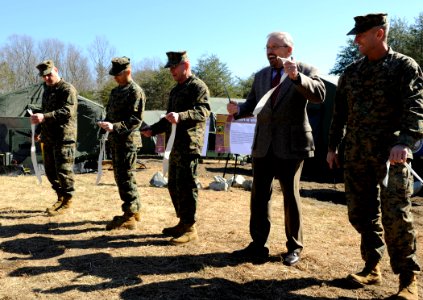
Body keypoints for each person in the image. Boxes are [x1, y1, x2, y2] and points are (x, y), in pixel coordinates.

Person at [327, 13, 422, 300]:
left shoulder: (404, 67)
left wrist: (405, 143)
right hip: (356, 154)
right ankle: (372, 266)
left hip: (391, 156)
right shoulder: (351, 72)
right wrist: (333, 147)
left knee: (396, 216)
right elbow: (339, 114)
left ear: (379, 34)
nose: (356, 39)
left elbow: (416, 109)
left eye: (361, 35)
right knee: (361, 215)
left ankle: (409, 280)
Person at [228, 32, 326, 265]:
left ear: (289, 50)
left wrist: (296, 77)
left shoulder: (307, 69)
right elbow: (253, 104)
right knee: (259, 197)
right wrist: (238, 110)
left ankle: (294, 247)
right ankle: (257, 245)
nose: (269, 51)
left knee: (291, 197)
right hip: (263, 145)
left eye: (275, 47)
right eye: (267, 47)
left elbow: (319, 95)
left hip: (292, 145)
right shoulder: (261, 76)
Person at [141, 51, 211, 244]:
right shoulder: (175, 90)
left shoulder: (198, 86)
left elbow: (203, 111)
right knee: (174, 185)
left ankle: (190, 227)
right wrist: (152, 130)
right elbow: (168, 118)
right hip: (175, 145)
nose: (171, 70)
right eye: (170, 67)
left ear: (185, 65)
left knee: (187, 186)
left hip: (189, 144)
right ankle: (182, 221)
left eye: (174, 67)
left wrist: (182, 116)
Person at [98, 56, 146, 231]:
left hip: (127, 142)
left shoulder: (135, 91)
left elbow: (135, 120)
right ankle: (134, 209)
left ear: (128, 72)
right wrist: (104, 123)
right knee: (121, 178)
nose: (115, 78)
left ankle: (130, 216)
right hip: (115, 141)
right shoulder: (116, 91)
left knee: (125, 178)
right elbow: (111, 115)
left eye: (118, 74)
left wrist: (114, 126)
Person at [31, 60, 78, 216]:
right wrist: (38, 130)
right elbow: (44, 112)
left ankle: (68, 200)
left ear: (56, 70)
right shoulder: (47, 91)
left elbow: (67, 111)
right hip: (49, 138)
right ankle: (60, 197)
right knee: (51, 172)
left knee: (64, 171)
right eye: (44, 76)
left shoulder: (67, 89)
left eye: (49, 74)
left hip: (64, 138)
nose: (47, 78)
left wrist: (44, 117)